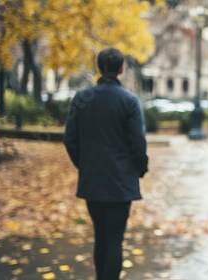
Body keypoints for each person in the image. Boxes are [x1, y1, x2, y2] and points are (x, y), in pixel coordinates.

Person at [64, 47, 148, 280]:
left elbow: (70, 139)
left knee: (100, 236)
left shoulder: (81, 98)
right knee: (114, 239)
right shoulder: (130, 101)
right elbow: (138, 143)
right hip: (121, 184)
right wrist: (140, 169)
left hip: (93, 181)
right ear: (121, 69)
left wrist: (85, 165)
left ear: (99, 68)